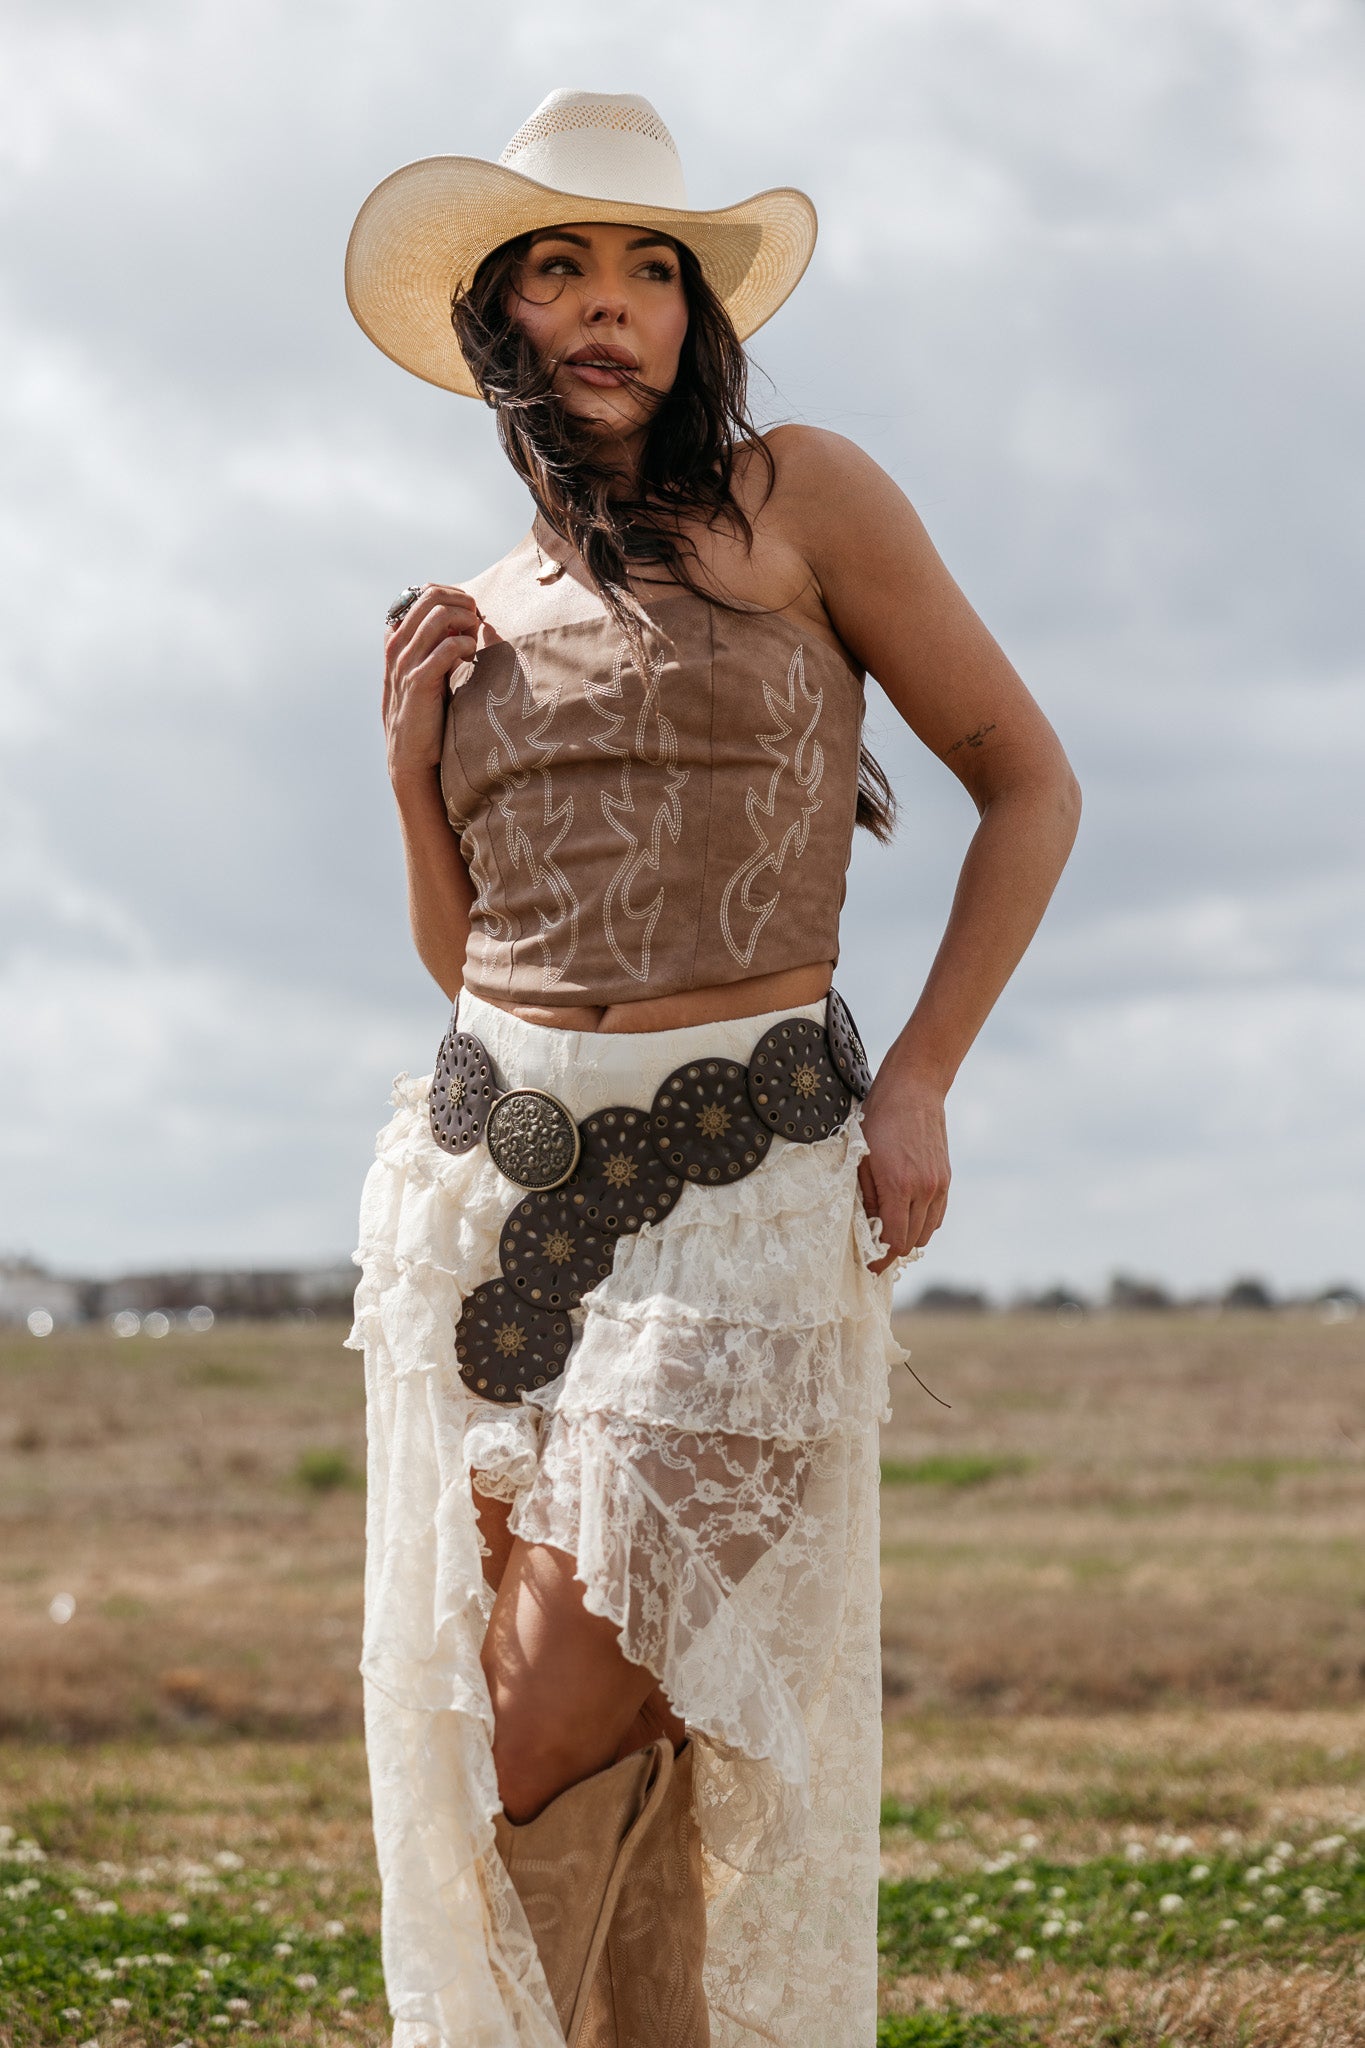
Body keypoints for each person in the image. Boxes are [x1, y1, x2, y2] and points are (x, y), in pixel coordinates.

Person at [344, 87, 1079, 2048]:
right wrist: (410, 779)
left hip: (739, 1181)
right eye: (560, 268)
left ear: (695, 316)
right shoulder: (471, 615)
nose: (606, 306)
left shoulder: (800, 498)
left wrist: (916, 1077)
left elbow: (1026, 782)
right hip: (479, 1194)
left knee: (547, 1705)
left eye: (646, 269)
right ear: (496, 318)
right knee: (572, 1729)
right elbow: (478, 955)